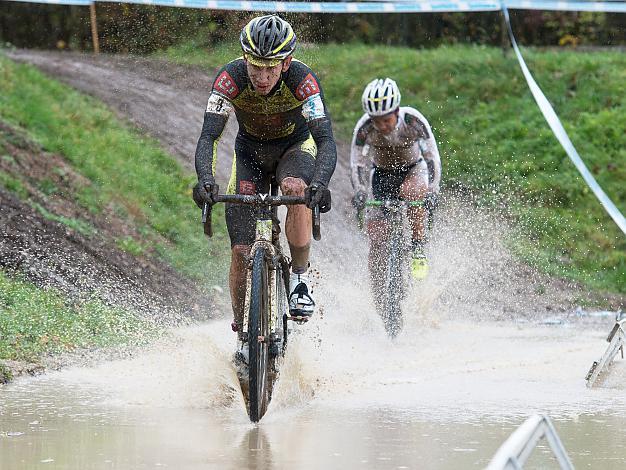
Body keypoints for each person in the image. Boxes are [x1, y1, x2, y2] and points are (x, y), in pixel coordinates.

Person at [192, 15, 337, 359]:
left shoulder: (303, 81)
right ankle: (244, 334)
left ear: (286, 63)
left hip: (295, 149)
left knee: (295, 188)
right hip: (250, 154)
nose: (261, 77)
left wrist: (318, 184)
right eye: (255, 67)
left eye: (270, 68)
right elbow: (208, 136)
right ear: (245, 60)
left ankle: (300, 279)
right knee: (241, 252)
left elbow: (327, 140)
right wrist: (206, 180)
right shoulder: (230, 78)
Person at [350, 78, 441, 288]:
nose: (381, 126)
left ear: (397, 110)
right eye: (376, 120)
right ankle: (379, 286)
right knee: (377, 237)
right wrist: (361, 190)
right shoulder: (364, 127)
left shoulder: (413, 120)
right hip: (381, 174)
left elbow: (431, 157)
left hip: (413, 169)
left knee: (412, 192)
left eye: (386, 120)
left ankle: (418, 247)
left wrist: (433, 190)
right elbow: (358, 163)